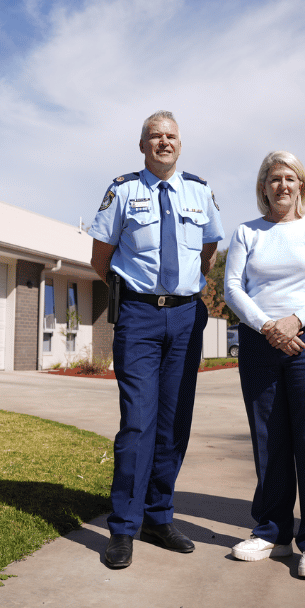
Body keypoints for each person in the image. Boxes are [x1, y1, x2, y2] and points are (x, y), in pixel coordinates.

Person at [89, 110, 224, 569]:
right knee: (138, 423)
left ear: (179, 144)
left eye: (170, 136)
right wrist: (139, 296)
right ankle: (123, 526)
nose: (163, 143)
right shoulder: (123, 190)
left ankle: (158, 516)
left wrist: (184, 288)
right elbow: (100, 257)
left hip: (186, 316)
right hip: (140, 317)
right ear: (142, 144)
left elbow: (209, 249)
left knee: (173, 423)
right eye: (154, 136)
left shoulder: (200, 191)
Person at [224, 151, 305, 579]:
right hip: (260, 344)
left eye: (290, 178)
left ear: (301, 185)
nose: (282, 186)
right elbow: (232, 288)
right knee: (269, 440)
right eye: (274, 179)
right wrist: (268, 326)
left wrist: (295, 321)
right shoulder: (246, 233)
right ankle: (272, 533)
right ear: (263, 187)